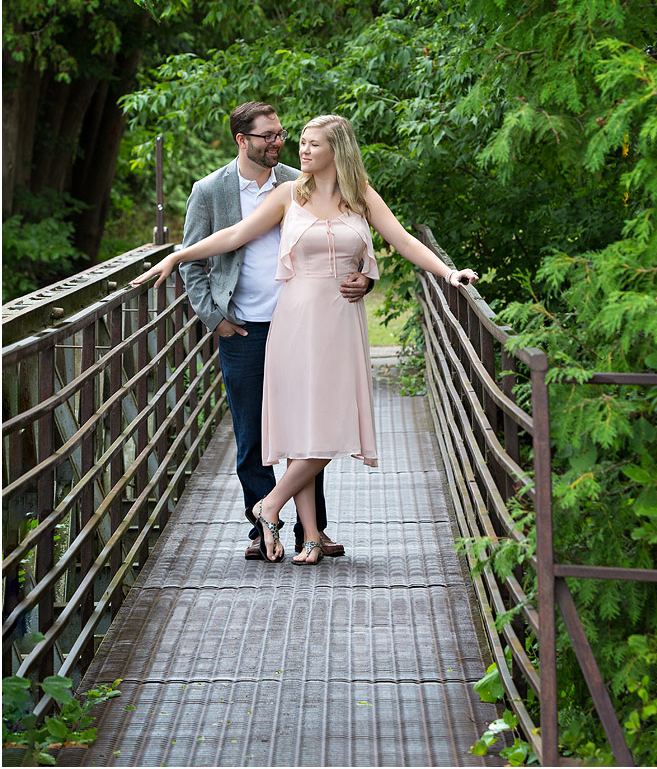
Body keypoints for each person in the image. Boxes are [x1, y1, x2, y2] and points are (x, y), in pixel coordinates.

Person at [133, 114, 478, 564]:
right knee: (304, 429)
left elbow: (404, 242)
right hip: (292, 320)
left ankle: (286, 516)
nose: (301, 149)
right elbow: (235, 235)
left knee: (332, 424)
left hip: (340, 323)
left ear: (338, 150)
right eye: (301, 143)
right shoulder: (288, 194)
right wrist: (179, 255)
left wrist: (448, 273)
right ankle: (296, 525)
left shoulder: (361, 198)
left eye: (313, 144)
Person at [177, 102, 371, 561]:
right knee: (253, 434)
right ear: (242, 140)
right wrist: (214, 317)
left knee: (309, 426)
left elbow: (345, 236)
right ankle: (262, 528)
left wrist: (366, 276)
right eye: (268, 136)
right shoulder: (210, 191)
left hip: (301, 321)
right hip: (242, 325)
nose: (279, 142)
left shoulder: (298, 181)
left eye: (282, 134)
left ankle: (313, 530)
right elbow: (201, 253)